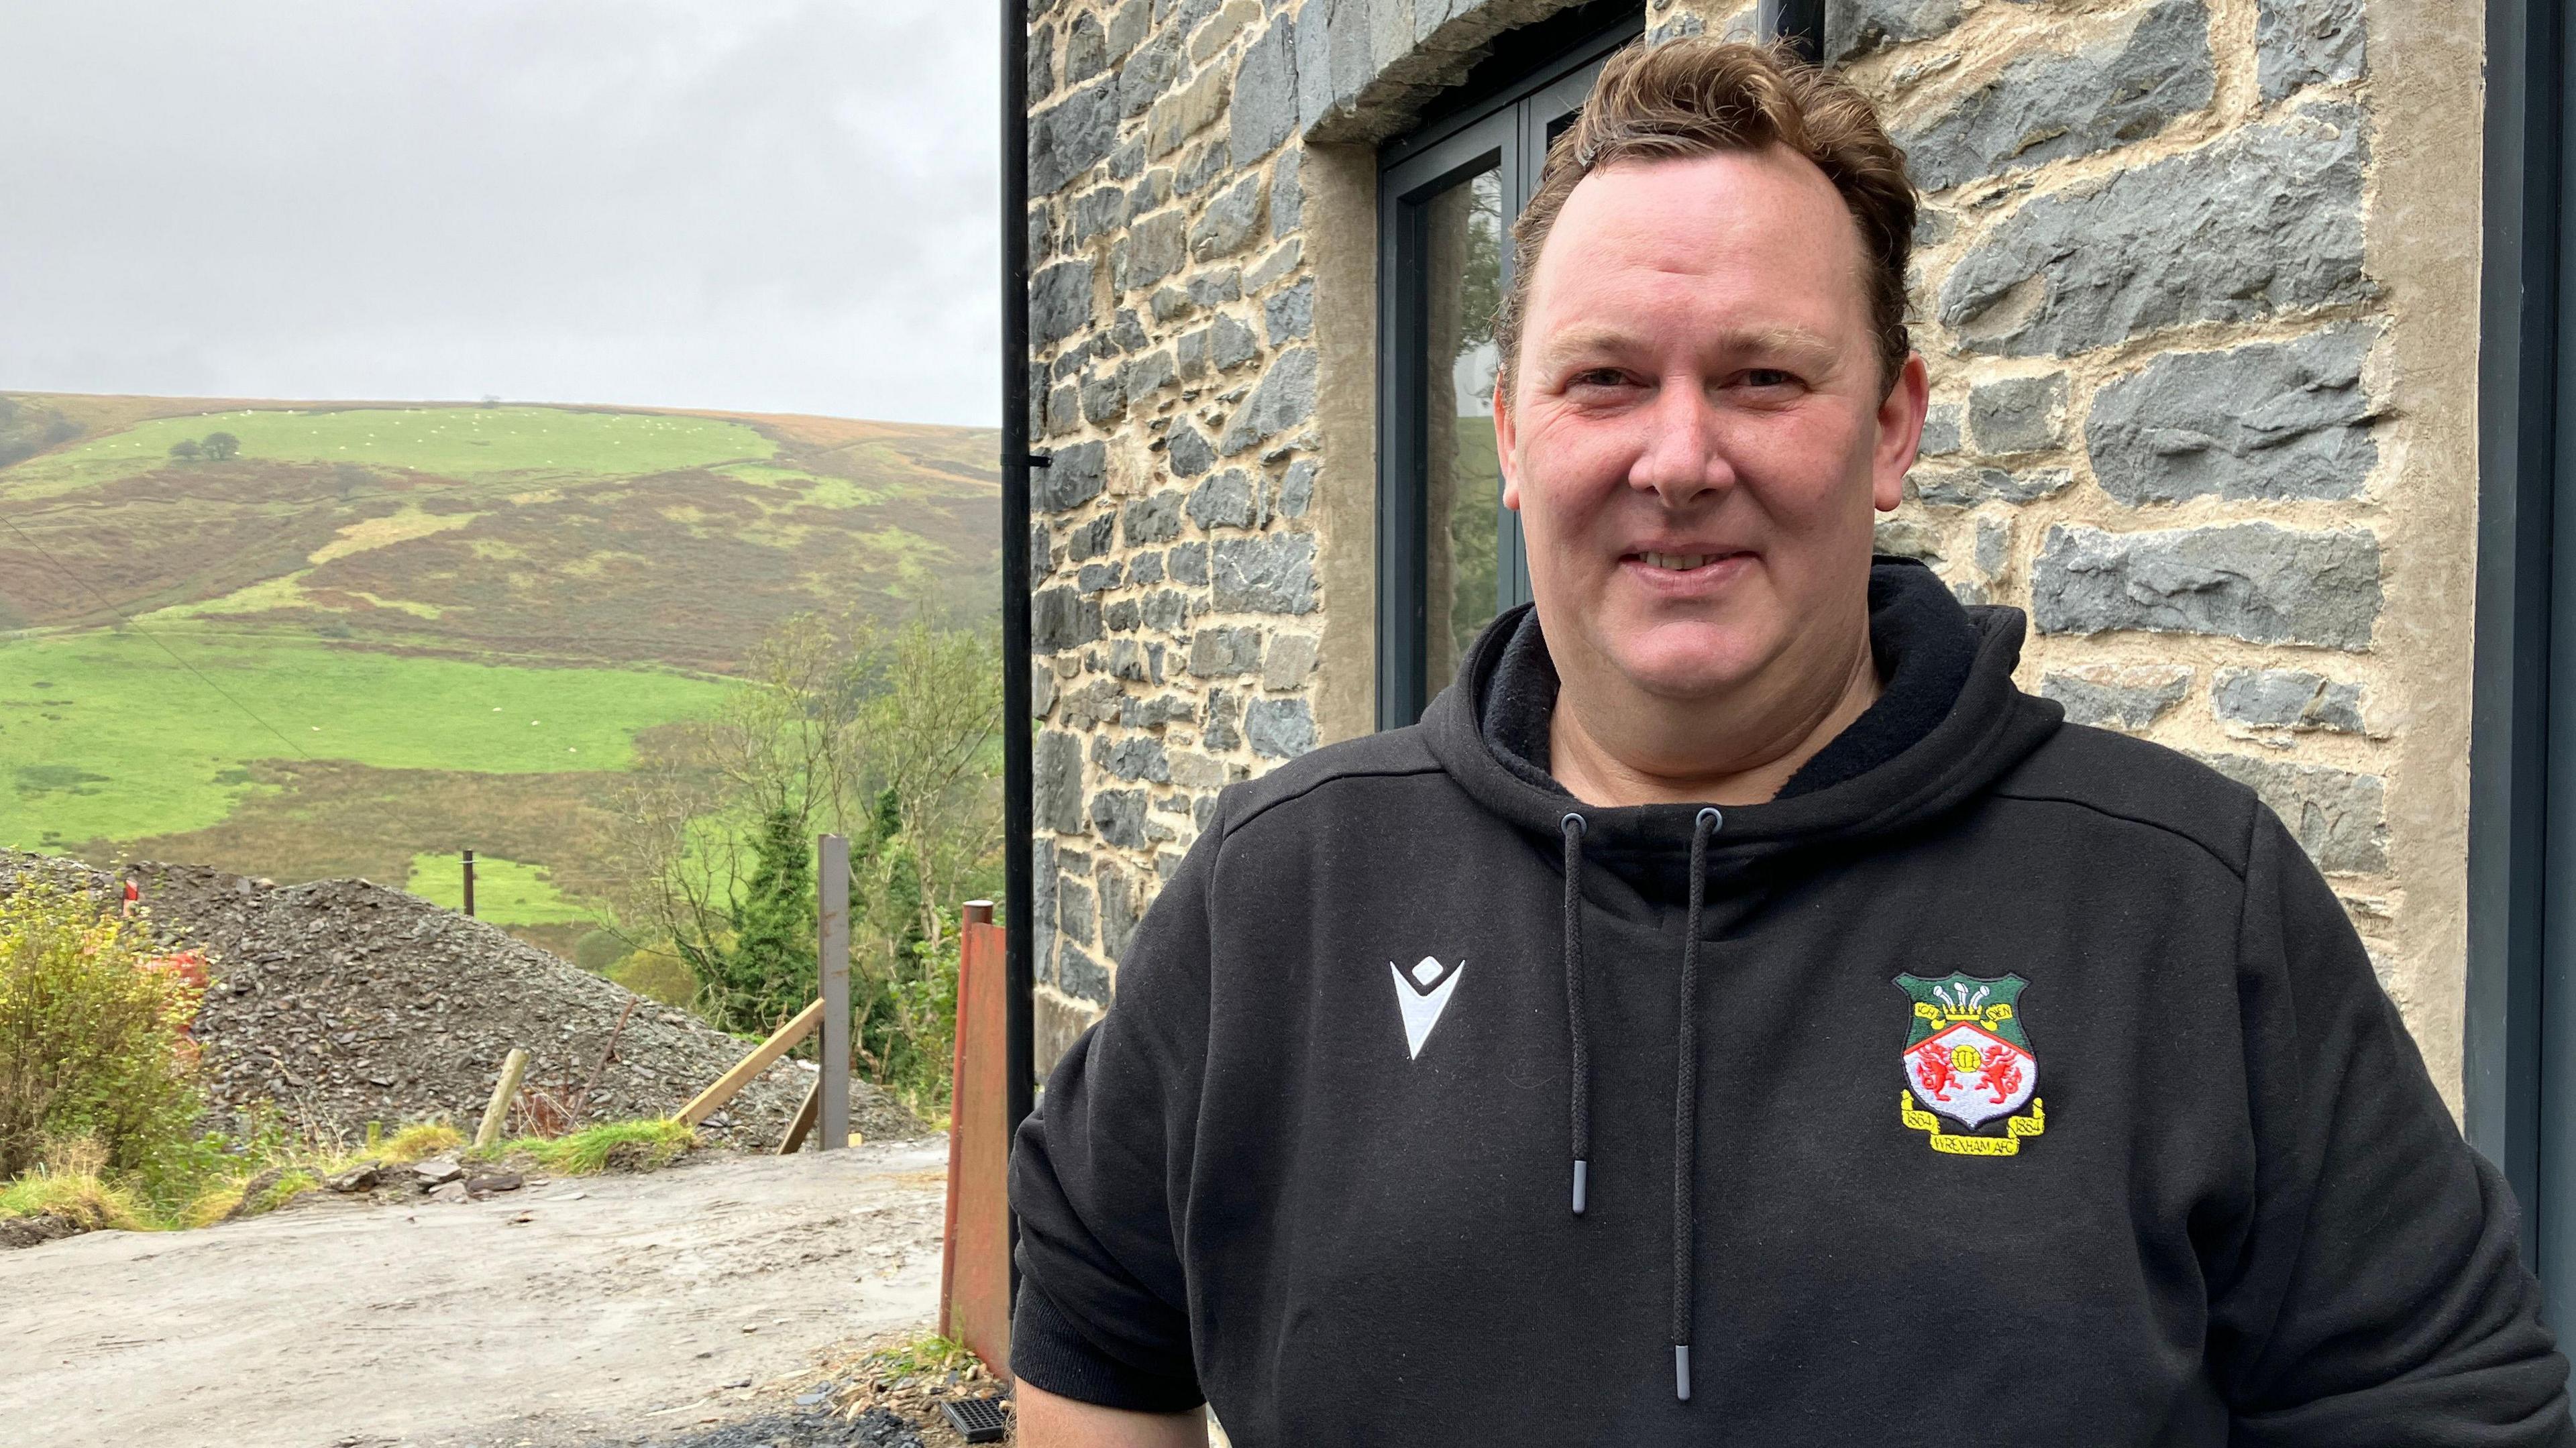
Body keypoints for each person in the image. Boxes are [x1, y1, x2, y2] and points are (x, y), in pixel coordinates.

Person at [1007, 38, 2573, 1447]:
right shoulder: (1282, 890)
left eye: (1762, 379)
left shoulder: (2184, 902)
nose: (1679, 461)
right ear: (1509, 434)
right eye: (1606, 380)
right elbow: (1091, 1330)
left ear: (1892, 425)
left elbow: (2439, 1404)